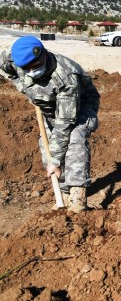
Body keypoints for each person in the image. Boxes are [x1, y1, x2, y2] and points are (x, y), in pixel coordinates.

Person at [0, 36, 100, 213]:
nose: (32, 71)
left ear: (44, 54)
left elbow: (65, 123)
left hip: (79, 106)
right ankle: (64, 194)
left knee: (74, 137)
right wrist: (24, 87)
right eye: (27, 69)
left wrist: (55, 160)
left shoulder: (66, 76)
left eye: (36, 66)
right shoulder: (13, 57)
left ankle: (77, 195)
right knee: (46, 146)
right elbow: (5, 69)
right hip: (47, 106)